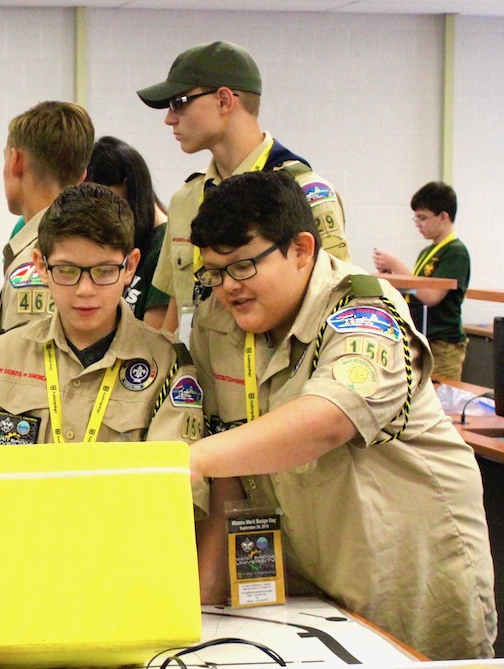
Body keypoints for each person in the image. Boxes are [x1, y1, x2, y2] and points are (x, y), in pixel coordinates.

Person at [186, 171, 495, 660]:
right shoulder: (217, 321)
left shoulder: (365, 308)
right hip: (306, 576)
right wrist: (202, 606)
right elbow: (229, 462)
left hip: (404, 571)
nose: (227, 287)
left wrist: (189, 458)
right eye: (214, 272)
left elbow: (326, 420)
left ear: (302, 249)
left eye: (243, 267)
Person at [0, 183, 207, 515]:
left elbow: (173, 496)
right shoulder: (7, 354)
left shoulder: (168, 365)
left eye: (104, 271)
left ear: (130, 267)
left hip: (121, 556)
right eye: (67, 271)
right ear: (41, 265)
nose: (85, 290)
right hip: (21, 549)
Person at [137, 41, 350, 334]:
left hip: (276, 372)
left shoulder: (305, 193)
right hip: (201, 371)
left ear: (224, 100)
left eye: (179, 103)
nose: (169, 118)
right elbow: (176, 306)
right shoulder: (187, 199)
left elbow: (333, 301)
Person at [0, 101, 95, 336]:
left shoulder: (36, 261)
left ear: (16, 161)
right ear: (82, 176)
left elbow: (28, 366)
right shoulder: (84, 242)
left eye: (5, 157)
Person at [372, 182, 470, 380]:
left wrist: (398, 266)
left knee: (442, 400)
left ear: (443, 216)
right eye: (416, 218)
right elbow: (415, 291)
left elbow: (431, 296)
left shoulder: (455, 252)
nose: (418, 224)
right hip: (422, 336)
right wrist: (393, 276)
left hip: (443, 345)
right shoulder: (427, 252)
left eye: (423, 218)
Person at [85, 136, 170, 328]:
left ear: (126, 186)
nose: (98, 211)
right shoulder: (130, 237)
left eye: (102, 198)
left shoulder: (163, 245)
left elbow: (154, 340)